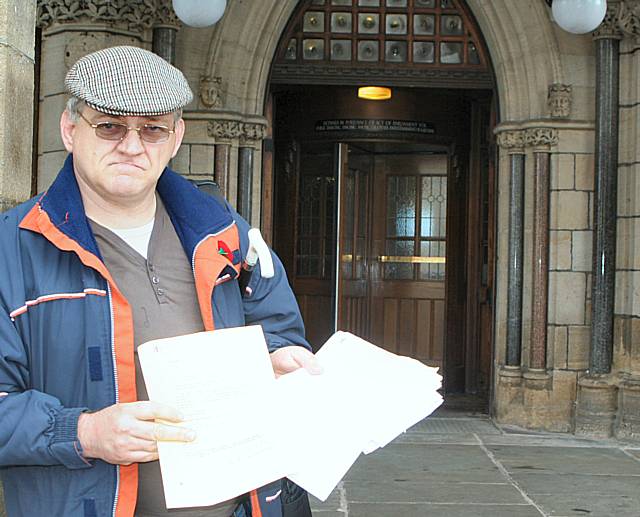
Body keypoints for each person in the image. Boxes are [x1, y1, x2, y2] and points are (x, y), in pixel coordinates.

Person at [0, 45, 319, 517]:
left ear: (176, 138)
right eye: (109, 125)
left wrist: (278, 357)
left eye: (152, 129)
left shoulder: (225, 231)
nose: (132, 146)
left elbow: (277, 327)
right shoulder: (12, 248)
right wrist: (84, 432)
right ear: (70, 130)